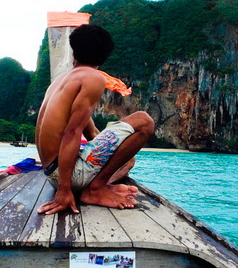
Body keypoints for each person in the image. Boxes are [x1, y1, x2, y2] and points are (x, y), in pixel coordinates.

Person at [35, 24, 154, 215]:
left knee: (128, 160)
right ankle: (95, 189)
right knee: (144, 121)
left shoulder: (59, 81)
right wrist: (64, 190)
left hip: (52, 173)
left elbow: (91, 134)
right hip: (66, 177)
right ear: (105, 55)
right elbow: (72, 132)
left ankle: (98, 185)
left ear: (74, 49)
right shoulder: (93, 78)